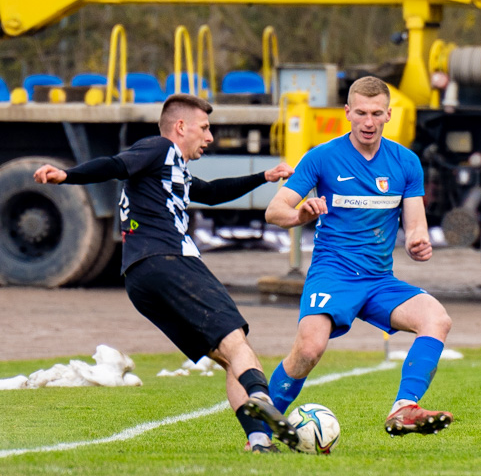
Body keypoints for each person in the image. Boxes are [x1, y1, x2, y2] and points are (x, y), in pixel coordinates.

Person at [34, 93, 298, 453]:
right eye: (204, 129)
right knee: (237, 341)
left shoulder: (170, 167)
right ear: (180, 127)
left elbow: (211, 192)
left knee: (229, 356)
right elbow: (115, 164)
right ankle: (263, 398)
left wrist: (263, 176)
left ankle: (259, 441)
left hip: (140, 279)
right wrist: (68, 175)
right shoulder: (158, 148)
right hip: (171, 260)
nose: (209, 137)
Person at [265, 76, 453, 436]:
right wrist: (300, 215)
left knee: (437, 318)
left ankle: (404, 407)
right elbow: (275, 210)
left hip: (380, 280)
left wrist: (418, 242)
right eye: (362, 113)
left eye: (377, 113)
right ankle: (263, 425)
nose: (369, 121)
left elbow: (415, 225)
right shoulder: (322, 157)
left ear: (388, 115)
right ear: (347, 113)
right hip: (333, 274)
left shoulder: (406, 163)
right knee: (308, 350)